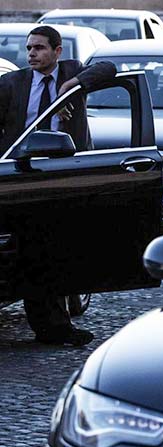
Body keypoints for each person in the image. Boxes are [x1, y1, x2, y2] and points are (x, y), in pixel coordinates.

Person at [0, 26, 116, 346]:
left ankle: (56, 324)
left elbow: (109, 68)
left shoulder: (73, 72)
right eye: (29, 48)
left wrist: (71, 86)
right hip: (23, 174)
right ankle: (53, 326)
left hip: (66, 174)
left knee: (61, 247)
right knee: (35, 248)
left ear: (57, 51)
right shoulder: (12, 83)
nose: (31, 54)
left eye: (39, 48)